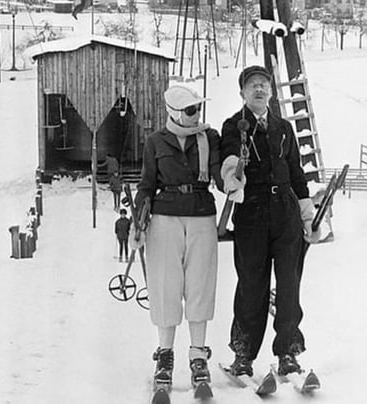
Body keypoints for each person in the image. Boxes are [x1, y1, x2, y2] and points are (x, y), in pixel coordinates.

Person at [219, 64, 316, 380]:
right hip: (252, 213)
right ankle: (243, 355)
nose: (259, 90)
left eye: (263, 85)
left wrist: (306, 212)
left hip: (285, 212)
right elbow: (230, 157)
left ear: (271, 91)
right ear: (243, 93)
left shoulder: (284, 128)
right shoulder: (235, 126)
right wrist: (232, 174)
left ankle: (288, 352)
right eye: (252, 86)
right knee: (251, 285)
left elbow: (297, 172)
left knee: (289, 284)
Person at [132, 85, 223, 393]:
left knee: (200, 285)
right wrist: (137, 223)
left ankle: (198, 355)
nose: (196, 114)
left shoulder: (209, 138)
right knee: (166, 286)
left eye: (197, 108)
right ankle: (165, 355)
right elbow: (146, 184)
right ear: (174, 112)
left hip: (201, 216)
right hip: (165, 218)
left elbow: (219, 174)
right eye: (190, 110)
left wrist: (232, 178)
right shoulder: (156, 142)